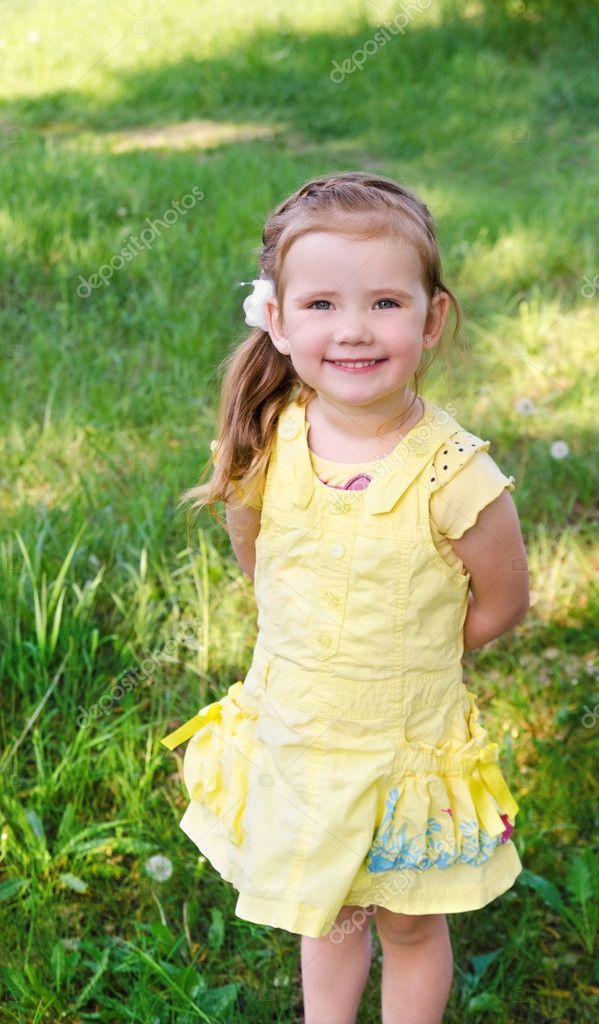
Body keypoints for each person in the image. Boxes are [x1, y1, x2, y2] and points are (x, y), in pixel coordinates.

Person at [160, 171, 530, 1024]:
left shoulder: (455, 474)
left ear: (432, 319)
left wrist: (416, 653)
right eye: (322, 304)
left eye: (386, 304)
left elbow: (503, 601)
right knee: (326, 910)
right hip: (301, 735)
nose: (355, 330)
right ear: (278, 321)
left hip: (404, 749)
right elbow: (260, 560)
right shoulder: (269, 440)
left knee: (405, 920)